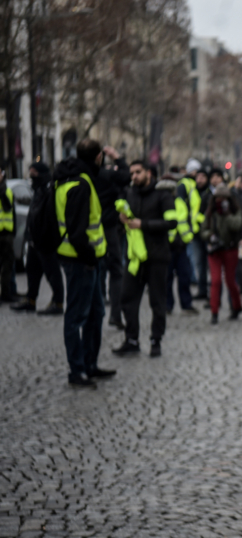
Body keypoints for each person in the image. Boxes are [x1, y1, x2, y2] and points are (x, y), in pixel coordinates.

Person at [54, 139, 116, 388]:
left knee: (96, 313)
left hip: (85, 259)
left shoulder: (74, 178)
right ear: (99, 156)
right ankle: (77, 370)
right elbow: (78, 231)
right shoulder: (80, 183)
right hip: (81, 260)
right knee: (77, 316)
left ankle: (89, 365)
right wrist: (90, 257)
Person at [112, 161, 177, 358]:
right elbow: (122, 220)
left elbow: (171, 222)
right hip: (134, 258)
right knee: (127, 298)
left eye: (138, 172)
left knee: (157, 302)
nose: (134, 176)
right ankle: (131, 340)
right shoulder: (130, 193)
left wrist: (144, 224)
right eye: (132, 173)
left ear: (148, 173)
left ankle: (155, 340)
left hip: (157, 257)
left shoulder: (163, 194)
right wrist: (122, 220)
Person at [11, 163, 64, 314]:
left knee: (52, 272)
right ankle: (30, 299)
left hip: (46, 241)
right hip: (34, 240)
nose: (31, 176)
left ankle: (58, 303)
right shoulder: (38, 190)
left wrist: (48, 238)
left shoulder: (49, 189)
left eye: (33, 173)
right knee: (32, 272)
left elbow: (50, 217)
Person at [94, 146, 130, 328]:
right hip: (108, 228)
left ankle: (96, 313)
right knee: (116, 271)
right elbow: (126, 176)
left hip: (86, 231)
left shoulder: (78, 176)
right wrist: (117, 157)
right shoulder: (106, 176)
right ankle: (115, 314)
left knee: (96, 271)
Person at [201, 183, 242, 324]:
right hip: (215, 251)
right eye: (218, 197)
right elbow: (203, 230)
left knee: (230, 281)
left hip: (230, 249)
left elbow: (237, 225)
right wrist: (210, 235)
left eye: (224, 197)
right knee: (215, 281)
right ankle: (214, 312)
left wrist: (227, 214)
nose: (221, 200)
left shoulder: (234, 210)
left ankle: (237, 307)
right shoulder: (210, 212)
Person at [165, 171, 198, 316]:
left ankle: (186, 303)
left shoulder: (180, 201)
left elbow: (186, 220)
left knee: (184, 276)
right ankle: (167, 305)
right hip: (167, 245)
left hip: (181, 244)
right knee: (167, 278)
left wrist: (189, 236)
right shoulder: (162, 201)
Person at [191, 165, 211, 300]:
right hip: (195, 233)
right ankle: (202, 289)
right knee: (199, 263)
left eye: (203, 177)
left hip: (208, 233)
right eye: (198, 177)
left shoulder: (210, 194)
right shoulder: (192, 192)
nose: (200, 179)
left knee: (209, 263)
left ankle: (212, 292)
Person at [0, 168, 15, 303]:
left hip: (7, 233)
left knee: (8, 266)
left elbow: (9, 208)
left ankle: (6, 293)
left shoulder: (7, 191)